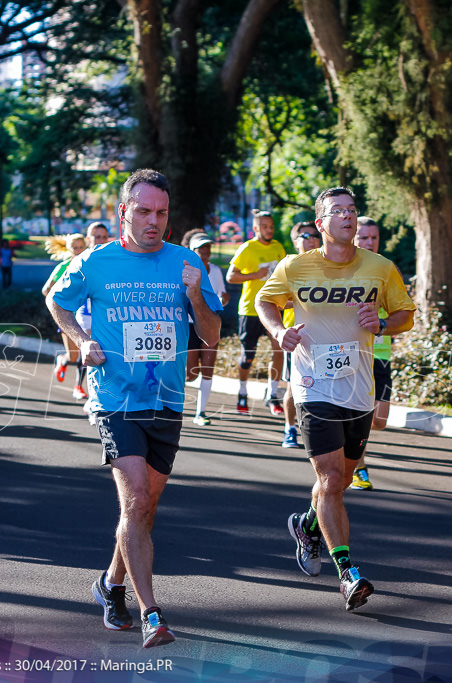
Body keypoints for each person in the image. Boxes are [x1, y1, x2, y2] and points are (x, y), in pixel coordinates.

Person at [47, 169, 222, 648]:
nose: (153, 221)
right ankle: (152, 614)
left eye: (161, 213)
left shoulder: (186, 261)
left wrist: (192, 295)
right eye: (143, 211)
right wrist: (81, 341)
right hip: (114, 398)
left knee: (144, 511)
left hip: (166, 400)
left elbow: (211, 334)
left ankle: (111, 584)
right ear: (123, 212)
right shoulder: (94, 262)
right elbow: (56, 302)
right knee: (137, 500)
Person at [257, 187, 415, 611]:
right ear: (321, 223)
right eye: (337, 212)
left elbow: (405, 315)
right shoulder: (295, 266)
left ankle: (307, 526)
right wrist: (278, 331)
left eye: (352, 210)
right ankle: (348, 573)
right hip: (313, 387)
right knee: (329, 480)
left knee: (341, 480)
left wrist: (382, 322)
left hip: (358, 390)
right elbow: (264, 300)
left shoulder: (380, 268)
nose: (347, 217)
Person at [349, 216, 394, 490]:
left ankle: (349, 444)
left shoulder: (387, 269)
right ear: (353, 237)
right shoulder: (343, 269)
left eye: (373, 238)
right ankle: (359, 465)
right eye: (363, 237)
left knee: (380, 420)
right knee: (360, 411)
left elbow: (401, 308)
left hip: (381, 351)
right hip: (351, 351)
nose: (369, 242)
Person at [226, 209, 286, 416]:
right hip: (250, 310)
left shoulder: (279, 248)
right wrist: (255, 275)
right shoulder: (246, 249)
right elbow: (231, 277)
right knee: (247, 356)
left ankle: (273, 393)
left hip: (273, 307)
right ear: (255, 228)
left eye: (271, 226)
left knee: (279, 350)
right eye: (264, 226)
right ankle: (242, 393)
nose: (269, 230)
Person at [180, 228, 229, 426]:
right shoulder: (184, 270)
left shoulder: (216, 271)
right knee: (191, 374)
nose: (205, 251)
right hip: (189, 326)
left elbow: (222, 295)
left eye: (207, 247)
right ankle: (171, 398)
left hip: (209, 324)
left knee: (208, 368)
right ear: (192, 251)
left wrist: (224, 299)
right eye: (200, 248)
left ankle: (200, 413)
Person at [279, 222, 321, 448]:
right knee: (293, 387)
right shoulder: (289, 267)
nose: (312, 239)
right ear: (296, 242)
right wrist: (300, 298)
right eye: (305, 236)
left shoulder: (329, 266)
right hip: (297, 338)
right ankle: (289, 429)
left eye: (315, 235)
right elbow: (274, 301)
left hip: (324, 337)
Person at [42, 233, 89, 400]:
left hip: (87, 317)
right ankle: (63, 359)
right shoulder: (63, 267)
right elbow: (46, 290)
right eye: (74, 248)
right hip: (68, 318)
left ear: (86, 246)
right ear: (69, 249)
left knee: (86, 352)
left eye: (80, 247)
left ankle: (78, 386)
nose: (78, 251)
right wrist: (60, 307)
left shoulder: (90, 265)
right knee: (74, 356)